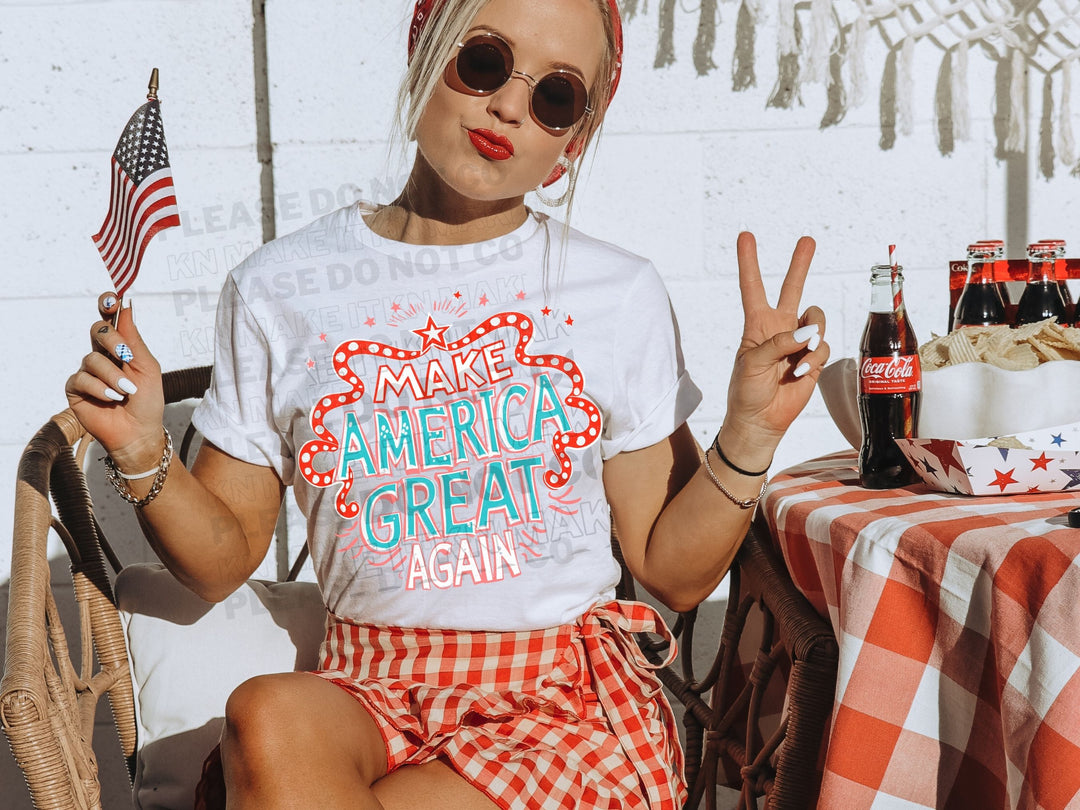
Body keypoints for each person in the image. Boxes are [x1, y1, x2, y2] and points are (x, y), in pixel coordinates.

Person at [65, 0, 829, 807]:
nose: (508, 106)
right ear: (425, 49)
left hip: (554, 704)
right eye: (486, 62)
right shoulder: (278, 287)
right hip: (366, 686)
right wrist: (144, 451)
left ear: (574, 138)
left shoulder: (615, 292)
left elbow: (672, 572)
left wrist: (748, 432)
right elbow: (221, 559)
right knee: (265, 712)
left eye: (556, 96)